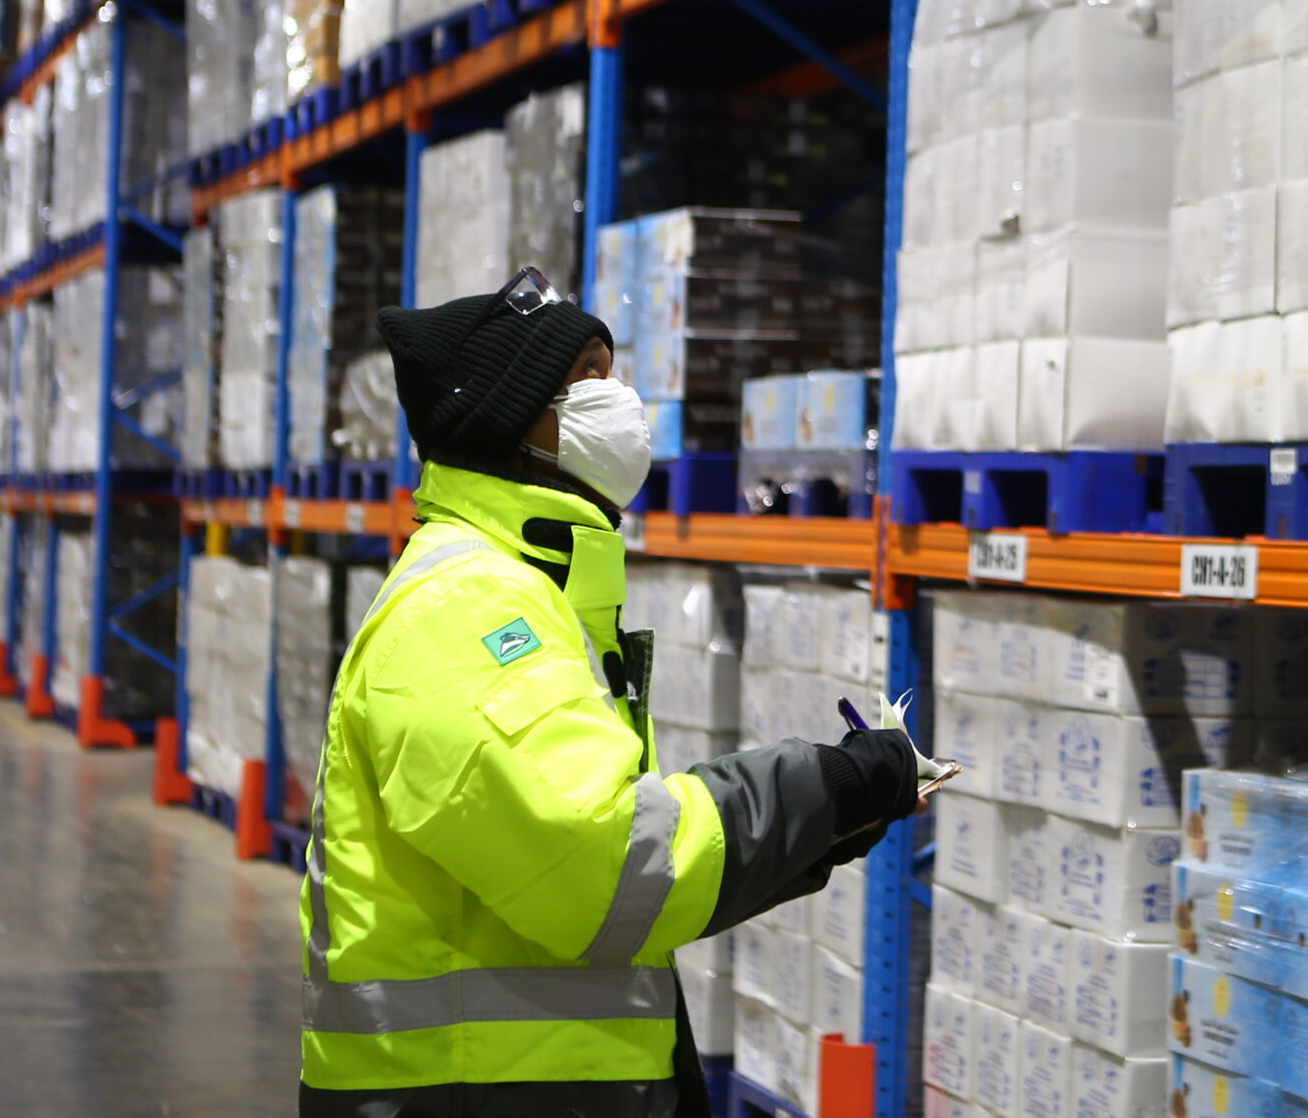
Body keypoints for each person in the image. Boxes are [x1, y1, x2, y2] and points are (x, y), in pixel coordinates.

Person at [297, 267, 919, 1118]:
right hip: (467, 1097)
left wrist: (817, 830)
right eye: (586, 377)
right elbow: (602, 861)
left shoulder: (529, 591)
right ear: (512, 418)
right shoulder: (467, 609)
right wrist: (823, 788)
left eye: (610, 371)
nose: (619, 398)